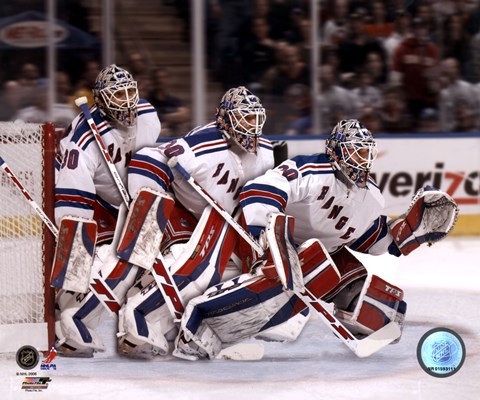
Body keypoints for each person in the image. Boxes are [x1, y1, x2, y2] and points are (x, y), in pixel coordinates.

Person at [172, 119, 458, 360]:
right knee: (315, 265)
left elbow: (367, 238)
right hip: (265, 246)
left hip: (314, 256)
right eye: (355, 153)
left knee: (380, 308)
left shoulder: (371, 197)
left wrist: (405, 234)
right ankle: (202, 325)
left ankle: (277, 312)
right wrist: (272, 236)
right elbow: (259, 189)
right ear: (335, 152)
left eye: (365, 154)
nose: (363, 162)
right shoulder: (310, 171)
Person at [115, 86, 276, 359]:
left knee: (243, 274)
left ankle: (185, 327)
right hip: (185, 218)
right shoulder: (201, 146)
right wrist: (149, 205)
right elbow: (147, 160)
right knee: (199, 269)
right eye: (246, 118)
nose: (253, 127)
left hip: (230, 225)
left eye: (255, 118)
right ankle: (139, 320)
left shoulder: (266, 152)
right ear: (225, 119)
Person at [54, 64, 161, 357]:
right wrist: (74, 258)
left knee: (154, 254)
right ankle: (69, 310)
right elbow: (72, 207)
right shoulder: (85, 139)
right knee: (98, 255)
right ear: (100, 102)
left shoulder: (149, 115)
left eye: (130, 92)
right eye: (117, 95)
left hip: (124, 201)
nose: (127, 101)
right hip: (88, 196)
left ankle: (144, 319)